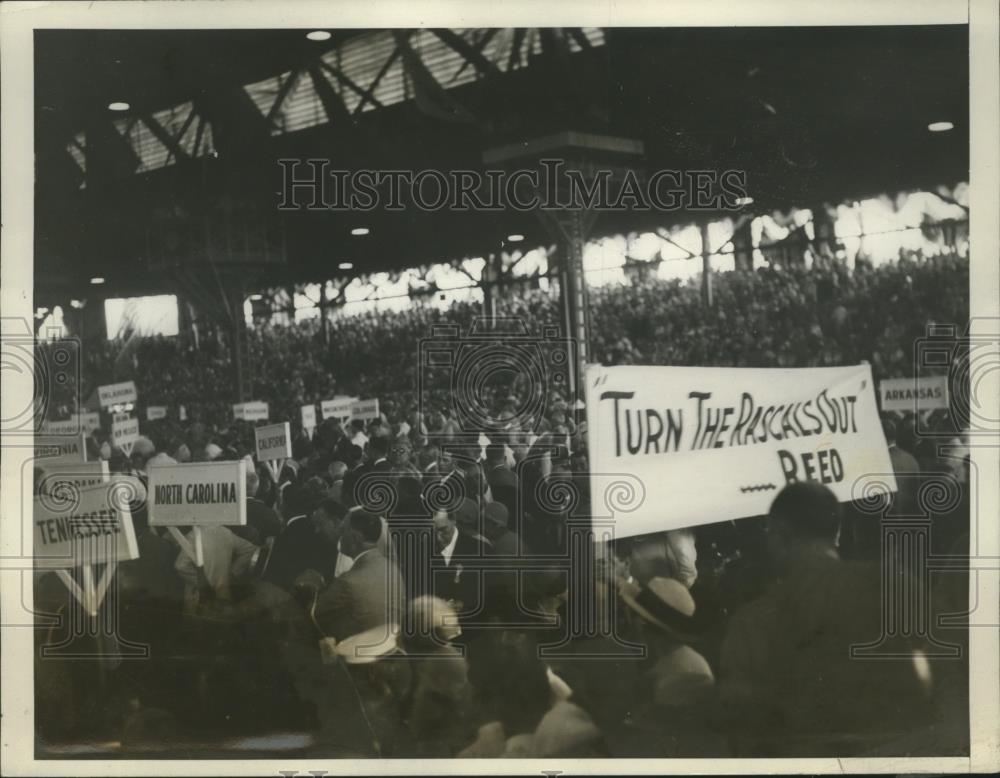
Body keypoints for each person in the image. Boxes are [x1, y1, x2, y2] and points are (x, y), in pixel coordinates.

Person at [718, 481, 934, 756]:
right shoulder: (898, 587)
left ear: (779, 536)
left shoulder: (752, 621)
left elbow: (741, 728)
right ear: (839, 533)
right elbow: (940, 682)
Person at [314, 507, 405, 642]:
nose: (340, 536)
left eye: (343, 531)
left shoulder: (348, 581)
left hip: (362, 656)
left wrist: (315, 585)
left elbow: (316, 614)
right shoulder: (394, 569)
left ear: (355, 538)